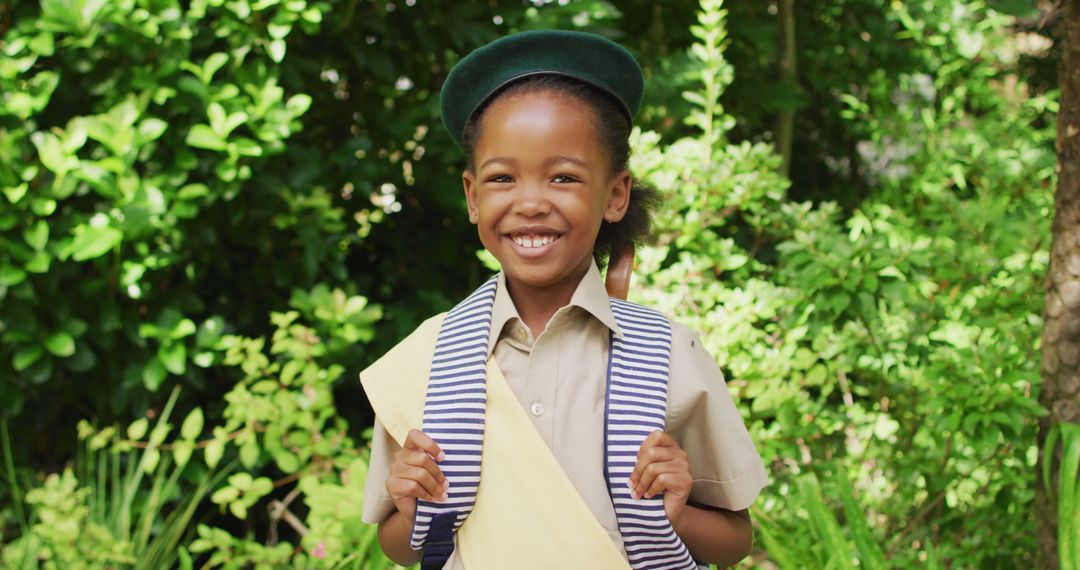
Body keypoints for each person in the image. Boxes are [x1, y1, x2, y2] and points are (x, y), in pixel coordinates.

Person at [359, 30, 767, 570]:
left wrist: (678, 515)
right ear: (472, 197)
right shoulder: (429, 359)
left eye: (563, 177)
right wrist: (413, 509)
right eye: (502, 177)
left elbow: (736, 540)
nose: (530, 202)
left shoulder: (667, 355)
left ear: (615, 194)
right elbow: (401, 548)